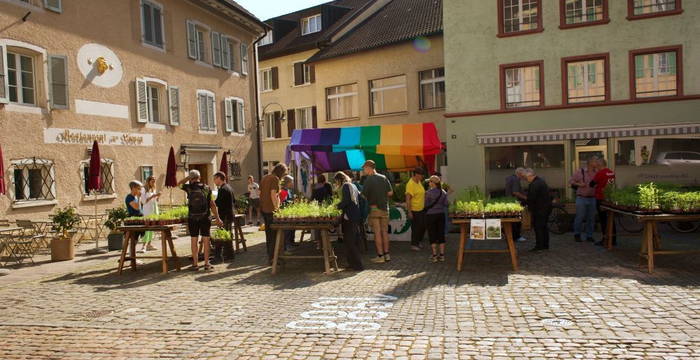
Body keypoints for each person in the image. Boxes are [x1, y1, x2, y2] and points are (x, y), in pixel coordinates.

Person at [178, 170, 222, 271]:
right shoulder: (207, 188)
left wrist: (187, 178)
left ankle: (195, 264)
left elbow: (179, 184)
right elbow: (212, 204)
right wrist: (217, 217)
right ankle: (206, 264)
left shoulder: (188, 187)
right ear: (200, 177)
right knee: (206, 240)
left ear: (191, 178)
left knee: (194, 240)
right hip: (205, 217)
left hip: (192, 218)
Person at [361, 160, 393, 263]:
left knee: (377, 233)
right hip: (385, 208)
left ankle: (380, 256)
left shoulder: (369, 180)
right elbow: (390, 193)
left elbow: (363, 196)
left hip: (374, 209)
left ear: (369, 168)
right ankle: (387, 255)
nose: (363, 170)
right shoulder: (383, 178)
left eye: (364, 168)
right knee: (385, 232)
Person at [334, 171, 364, 271]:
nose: (336, 184)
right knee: (351, 241)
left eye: (336, 181)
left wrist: (335, 207)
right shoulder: (353, 185)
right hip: (354, 216)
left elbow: (346, 201)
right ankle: (352, 264)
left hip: (350, 217)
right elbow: (359, 199)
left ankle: (357, 265)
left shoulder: (346, 186)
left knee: (350, 241)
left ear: (339, 180)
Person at [261, 163, 287, 263]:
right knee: (274, 235)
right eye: (284, 174)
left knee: (269, 234)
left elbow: (260, 193)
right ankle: (273, 258)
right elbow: (273, 194)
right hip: (271, 210)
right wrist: (277, 209)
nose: (284, 176)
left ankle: (271, 256)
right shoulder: (275, 179)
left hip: (264, 209)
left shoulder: (265, 177)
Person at [570, 158, 598, 242]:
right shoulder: (580, 171)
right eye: (595, 161)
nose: (596, 163)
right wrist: (579, 184)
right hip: (581, 198)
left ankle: (589, 235)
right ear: (590, 163)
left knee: (591, 218)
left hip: (592, 198)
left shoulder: (596, 173)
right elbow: (571, 181)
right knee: (580, 216)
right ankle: (577, 234)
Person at [591, 158, 616, 246]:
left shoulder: (600, 173)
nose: (595, 166)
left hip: (601, 198)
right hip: (610, 198)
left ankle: (605, 239)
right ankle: (613, 239)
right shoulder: (611, 172)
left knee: (603, 220)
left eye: (596, 165)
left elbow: (592, 184)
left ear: (599, 165)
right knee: (611, 219)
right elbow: (611, 184)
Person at [525, 169, 552, 251]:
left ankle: (539, 245)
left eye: (527, 178)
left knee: (538, 227)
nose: (527, 179)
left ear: (530, 176)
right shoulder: (541, 181)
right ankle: (545, 244)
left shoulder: (534, 184)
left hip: (539, 209)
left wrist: (526, 204)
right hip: (545, 207)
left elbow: (532, 197)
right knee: (543, 227)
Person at [424, 175, 449, 262]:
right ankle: (442, 255)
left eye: (430, 181)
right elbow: (446, 204)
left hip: (431, 215)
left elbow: (425, 205)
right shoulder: (443, 192)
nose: (429, 183)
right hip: (441, 215)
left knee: (432, 234)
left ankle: (434, 255)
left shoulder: (428, 193)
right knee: (441, 234)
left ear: (433, 183)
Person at [213, 171, 235, 263]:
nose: (214, 181)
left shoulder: (223, 189)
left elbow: (218, 202)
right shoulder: (229, 187)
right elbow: (234, 201)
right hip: (229, 214)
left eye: (215, 179)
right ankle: (229, 255)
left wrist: (211, 202)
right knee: (227, 235)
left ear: (219, 178)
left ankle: (225, 255)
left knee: (223, 236)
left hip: (225, 215)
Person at [405, 168, 426, 251]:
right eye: (421, 175)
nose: (422, 177)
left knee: (423, 226)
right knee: (416, 227)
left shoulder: (419, 182)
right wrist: (409, 211)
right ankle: (414, 244)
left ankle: (418, 241)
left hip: (421, 208)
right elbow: (408, 199)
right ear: (416, 174)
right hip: (414, 209)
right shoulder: (410, 184)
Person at [504, 168, 527, 243]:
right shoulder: (516, 180)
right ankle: (516, 236)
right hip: (515, 203)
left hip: (510, 202)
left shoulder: (510, 178)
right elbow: (515, 192)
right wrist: (525, 197)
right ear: (520, 173)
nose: (524, 176)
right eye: (523, 174)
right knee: (517, 220)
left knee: (512, 220)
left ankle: (510, 235)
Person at [138, 176, 160, 253]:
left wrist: (157, 197)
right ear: (148, 181)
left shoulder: (153, 189)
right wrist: (153, 196)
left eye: (154, 180)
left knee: (152, 228)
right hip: (147, 210)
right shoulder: (143, 189)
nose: (154, 182)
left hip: (153, 210)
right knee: (147, 228)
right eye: (152, 180)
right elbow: (143, 201)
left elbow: (155, 201)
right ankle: (143, 246)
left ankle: (149, 244)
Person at [280, 175, 296, 252]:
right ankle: (286, 247)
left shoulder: (289, 190)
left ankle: (290, 243)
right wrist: (291, 203)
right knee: (287, 230)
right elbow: (282, 203)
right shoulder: (283, 191)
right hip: (285, 214)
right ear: (288, 183)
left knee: (291, 229)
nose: (293, 183)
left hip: (290, 213)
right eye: (292, 182)